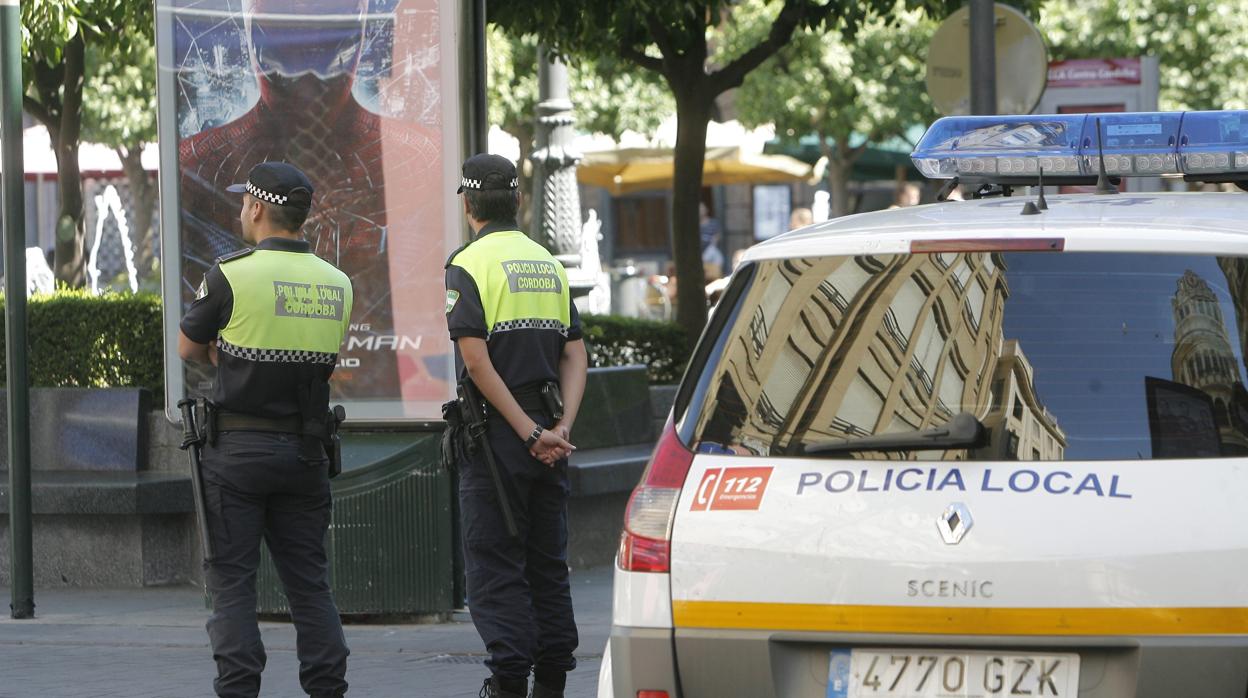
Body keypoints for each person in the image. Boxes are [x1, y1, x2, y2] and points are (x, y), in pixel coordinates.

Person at [178, 161, 354, 698]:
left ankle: (238, 688)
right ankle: (327, 687)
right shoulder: (337, 282)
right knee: (309, 583)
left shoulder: (229, 274)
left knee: (232, 581)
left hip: (237, 452)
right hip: (305, 453)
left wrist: (226, 352)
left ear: (255, 207)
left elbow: (190, 347)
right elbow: (321, 364)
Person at [444, 154, 588, 698]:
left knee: (495, 561)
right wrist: (559, 428)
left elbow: (476, 363)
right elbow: (577, 355)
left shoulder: (468, 263)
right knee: (548, 562)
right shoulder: (546, 262)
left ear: (468, 205)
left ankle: (509, 683)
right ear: (519, 200)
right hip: (551, 435)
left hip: (499, 434)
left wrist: (527, 431)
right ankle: (553, 679)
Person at [699, 201, 724, 281]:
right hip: (700, 252)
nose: (701, 211)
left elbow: (718, 235)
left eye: (702, 209)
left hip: (711, 249)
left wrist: (714, 241)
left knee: (717, 258)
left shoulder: (713, 223)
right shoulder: (696, 225)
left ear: (706, 210)